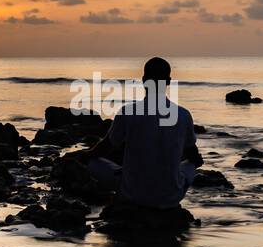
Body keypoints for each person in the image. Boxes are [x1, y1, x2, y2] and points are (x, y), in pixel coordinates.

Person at [82, 57, 202, 209]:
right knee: (190, 164)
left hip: (132, 195)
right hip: (170, 197)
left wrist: (85, 156)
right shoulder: (183, 115)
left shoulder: (128, 111)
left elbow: (107, 146)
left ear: (144, 80)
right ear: (168, 81)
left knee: (93, 163)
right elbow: (194, 155)